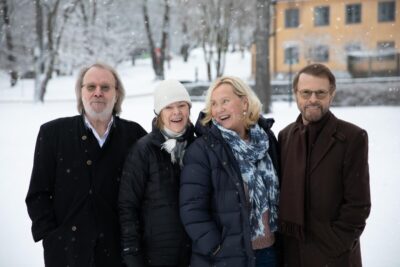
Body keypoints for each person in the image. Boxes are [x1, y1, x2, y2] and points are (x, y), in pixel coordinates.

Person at [25, 63, 147, 267]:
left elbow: (150, 194)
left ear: (116, 94)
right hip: (68, 255)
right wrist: (53, 237)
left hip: (120, 255)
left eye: (105, 87)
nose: (98, 93)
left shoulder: (135, 135)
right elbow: (38, 195)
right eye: (91, 87)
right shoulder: (52, 134)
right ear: (80, 93)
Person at [180, 76, 280, 267]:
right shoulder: (203, 149)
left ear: (244, 102)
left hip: (268, 253)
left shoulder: (266, 140)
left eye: (225, 101)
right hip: (227, 257)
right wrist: (217, 247)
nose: (219, 110)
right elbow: (191, 208)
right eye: (214, 104)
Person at [278, 63, 371, 267]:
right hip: (292, 254)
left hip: (333, 256)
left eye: (320, 93)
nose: (313, 99)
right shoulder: (285, 137)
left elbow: (358, 204)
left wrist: (337, 244)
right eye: (306, 92)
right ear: (296, 94)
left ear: (332, 95)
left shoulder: (352, 137)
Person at [118, 79, 194, 267]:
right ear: (159, 113)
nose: (176, 112)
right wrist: (132, 254)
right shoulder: (143, 150)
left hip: (196, 254)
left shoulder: (199, 146)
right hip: (156, 256)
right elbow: (128, 206)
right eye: (168, 107)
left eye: (181, 105)